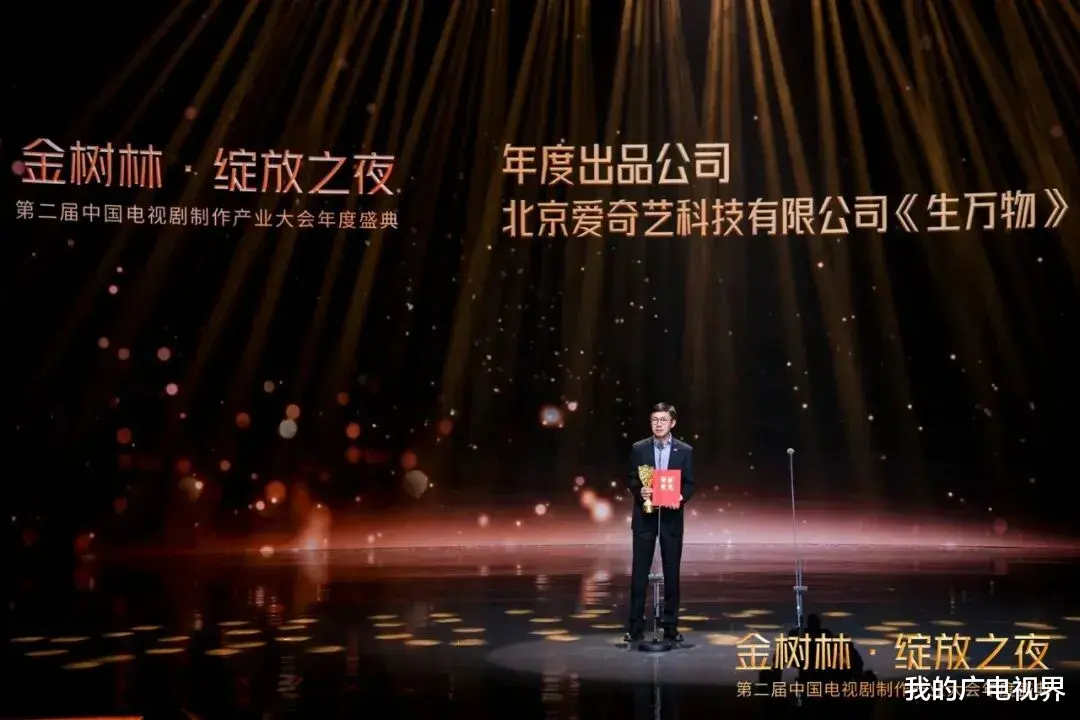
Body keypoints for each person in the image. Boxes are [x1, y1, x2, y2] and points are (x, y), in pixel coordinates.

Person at [625, 402, 695, 643]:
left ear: (672, 423)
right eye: (655, 420)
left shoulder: (684, 450)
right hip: (645, 518)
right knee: (639, 575)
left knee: (672, 574)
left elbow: (690, 483)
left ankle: (671, 627)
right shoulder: (639, 448)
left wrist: (680, 497)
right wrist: (640, 491)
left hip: (671, 519)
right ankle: (635, 627)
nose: (658, 424)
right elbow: (632, 478)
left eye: (663, 420)